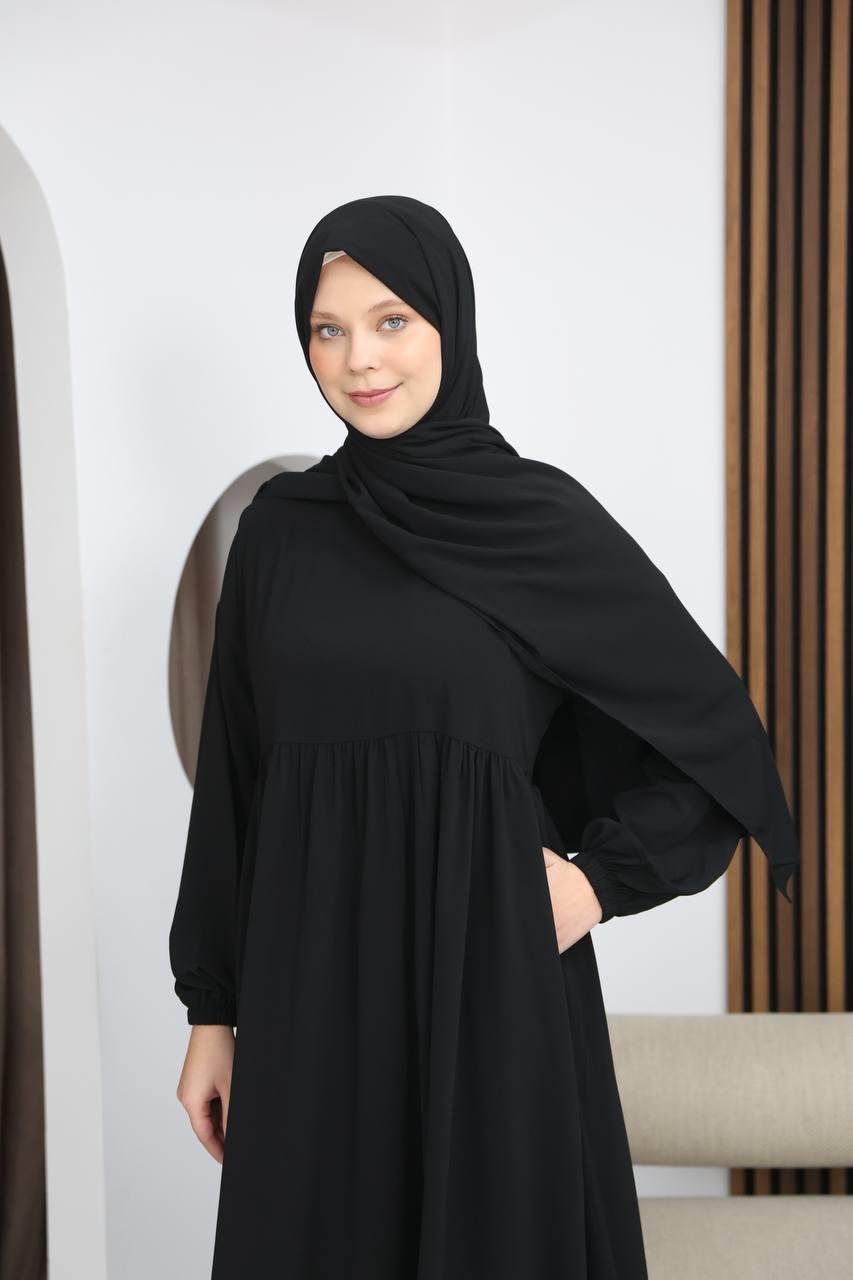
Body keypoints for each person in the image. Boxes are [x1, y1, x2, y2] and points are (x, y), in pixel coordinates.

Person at [169, 195, 799, 1278]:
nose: (359, 359)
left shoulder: (538, 523)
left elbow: (711, 739)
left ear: (448, 324)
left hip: (485, 983)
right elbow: (236, 782)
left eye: (391, 321)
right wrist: (211, 1014)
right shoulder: (279, 533)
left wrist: (595, 883)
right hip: (310, 991)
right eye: (328, 329)